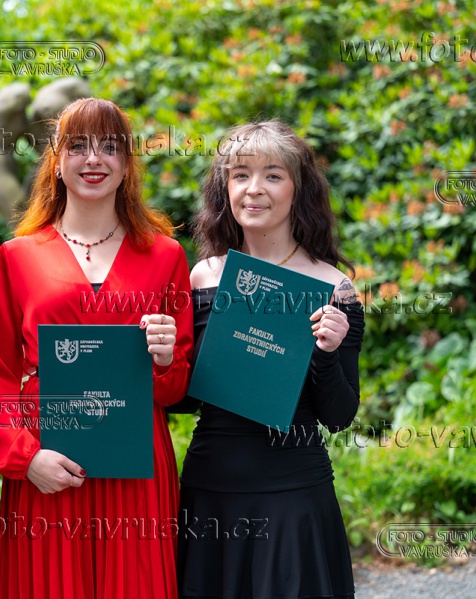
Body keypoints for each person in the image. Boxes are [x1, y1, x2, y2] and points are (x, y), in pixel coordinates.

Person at [0, 97, 193, 599]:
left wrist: (164, 360)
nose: (94, 159)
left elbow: (175, 387)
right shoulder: (16, 257)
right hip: (47, 462)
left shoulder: (165, 256)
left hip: (136, 466)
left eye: (109, 147)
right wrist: (25, 457)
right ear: (56, 161)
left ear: (127, 165)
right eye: (78, 146)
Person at [176, 121, 364, 599]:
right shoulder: (203, 277)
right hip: (210, 491)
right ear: (225, 189)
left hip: (293, 495)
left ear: (298, 189)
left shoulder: (333, 287)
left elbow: (339, 415)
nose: (254, 189)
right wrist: (160, 361)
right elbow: (184, 401)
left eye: (273, 175)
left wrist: (327, 353)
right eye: (240, 175)